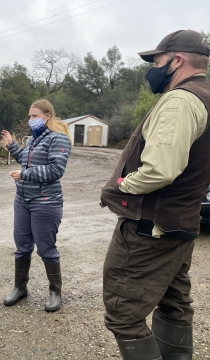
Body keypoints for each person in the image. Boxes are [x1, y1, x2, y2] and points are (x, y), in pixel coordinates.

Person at [100, 30, 210, 360]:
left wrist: (123, 186)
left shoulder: (180, 101)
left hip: (150, 229)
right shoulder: (206, 95)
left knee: (123, 314)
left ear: (177, 60)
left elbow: (161, 170)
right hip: (181, 224)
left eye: (157, 61)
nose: (152, 68)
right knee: (175, 303)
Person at [1, 99, 71, 312]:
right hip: (22, 200)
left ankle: (55, 291)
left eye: (34, 116)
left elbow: (56, 170)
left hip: (46, 202)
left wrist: (25, 174)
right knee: (22, 247)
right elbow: (26, 159)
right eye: (29, 116)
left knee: (46, 249)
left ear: (46, 116)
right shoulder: (33, 140)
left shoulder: (59, 139)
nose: (30, 120)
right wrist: (12, 145)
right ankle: (20, 288)